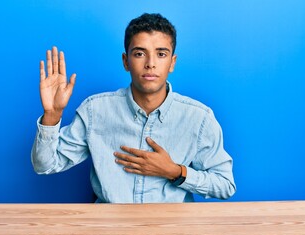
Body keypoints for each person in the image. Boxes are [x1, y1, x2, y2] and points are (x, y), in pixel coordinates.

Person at [31, 13, 236, 203]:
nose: (150, 64)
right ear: (126, 61)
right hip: (110, 229)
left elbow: (225, 185)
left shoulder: (199, 118)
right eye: (139, 53)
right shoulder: (95, 111)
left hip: (172, 230)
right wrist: (52, 115)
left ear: (172, 63)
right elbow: (45, 165)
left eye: (161, 54)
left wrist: (174, 171)